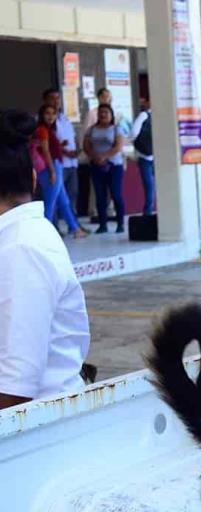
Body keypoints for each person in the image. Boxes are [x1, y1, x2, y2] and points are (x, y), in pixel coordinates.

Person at [0, 110, 90, 410]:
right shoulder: (23, 236)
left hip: (34, 438)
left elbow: (15, 390)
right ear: (35, 178)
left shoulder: (20, 250)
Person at [33, 103, 87, 239]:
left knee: (63, 201)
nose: (51, 116)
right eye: (47, 113)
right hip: (50, 168)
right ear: (42, 115)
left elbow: (48, 148)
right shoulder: (42, 130)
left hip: (55, 166)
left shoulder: (49, 130)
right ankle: (44, 234)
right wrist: (52, 172)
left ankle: (75, 229)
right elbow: (45, 151)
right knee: (50, 203)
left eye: (53, 113)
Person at [43, 87, 82, 230]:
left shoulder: (64, 118)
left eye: (58, 98)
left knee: (71, 195)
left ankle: (73, 225)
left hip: (72, 163)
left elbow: (70, 138)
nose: (56, 101)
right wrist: (65, 151)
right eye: (52, 98)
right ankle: (54, 227)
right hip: (57, 164)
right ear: (45, 101)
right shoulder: (43, 123)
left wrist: (76, 150)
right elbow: (47, 145)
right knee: (54, 198)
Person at [84, 103, 127, 234]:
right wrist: (95, 157)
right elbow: (86, 146)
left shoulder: (116, 129)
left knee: (116, 194)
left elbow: (118, 147)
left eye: (106, 112)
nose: (103, 115)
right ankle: (103, 225)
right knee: (100, 196)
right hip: (96, 166)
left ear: (111, 115)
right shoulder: (91, 130)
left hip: (114, 166)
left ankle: (120, 223)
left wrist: (104, 157)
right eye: (101, 112)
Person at [131, 95, 156, 215]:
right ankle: (148, 213)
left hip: (145, 156)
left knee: (149, 187)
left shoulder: (144, 115)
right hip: (152, 155)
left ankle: (148, 213)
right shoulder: (148, 115)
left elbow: (133, 133)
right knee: (152, 187)